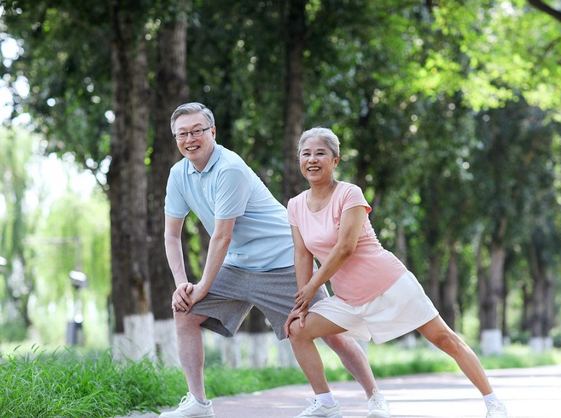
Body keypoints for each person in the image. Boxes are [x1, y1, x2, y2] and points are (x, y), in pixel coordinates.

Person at [160, 103, 390, 418]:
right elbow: (171, 235)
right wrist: (183, 286)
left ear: (212, 132)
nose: (190, 139)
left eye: (197, 131)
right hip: (238, 266)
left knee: (329, 333)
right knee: (184, 312)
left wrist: (202, 286)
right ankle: (198, 402)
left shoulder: (229, 169)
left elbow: (222, 236)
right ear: (175, 138)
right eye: (182, 133)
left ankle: (374, 396)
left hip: (283, 261)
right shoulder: (178, 174)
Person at [284, 127, 509, 418]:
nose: (312, 160)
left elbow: (345, 249)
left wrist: (312, 288)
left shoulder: (349, 194)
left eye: (320, 153)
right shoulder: (296, 205)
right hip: (348, 298)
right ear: (299, 160)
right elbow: (302, 254)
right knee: (297, 329)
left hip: (389, 283)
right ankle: (326, 403)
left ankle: (493, 403)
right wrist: (303, 304)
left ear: (335, 160)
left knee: (444, 339)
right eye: (306, 154)